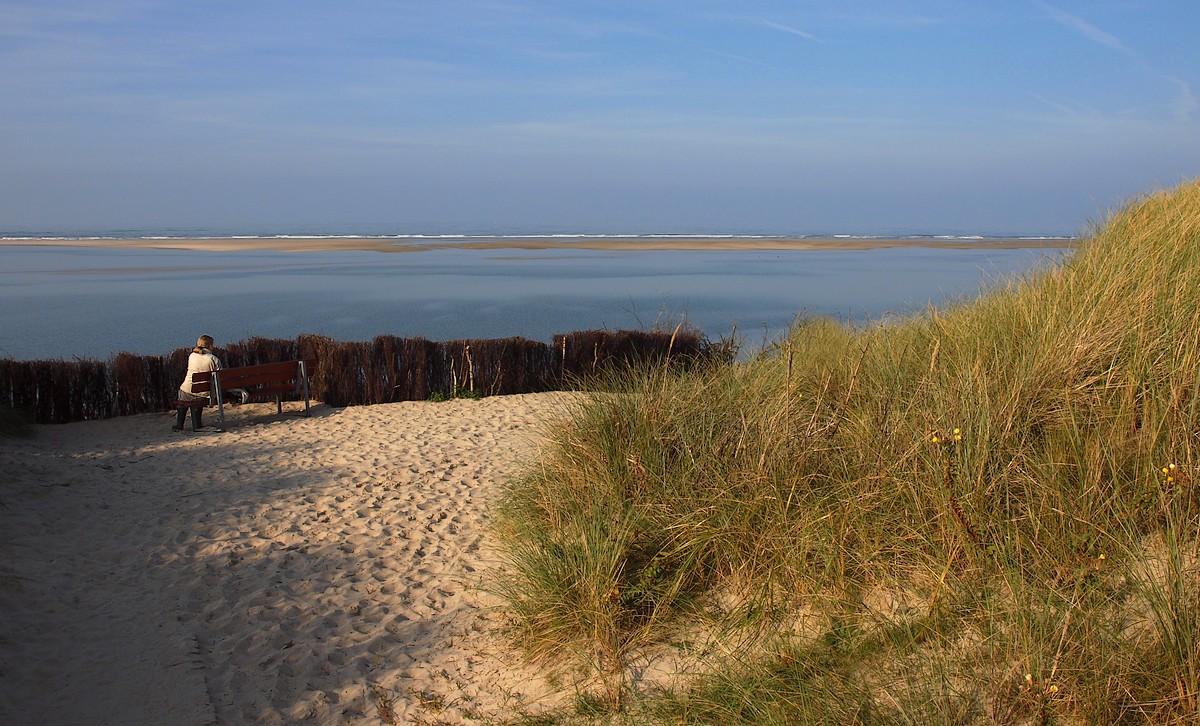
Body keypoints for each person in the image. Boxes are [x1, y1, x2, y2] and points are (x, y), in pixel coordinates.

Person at [174, 335, 222, 431]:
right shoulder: (213, 359)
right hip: (204, 393)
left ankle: (179, 425)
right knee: (198, 396)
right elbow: (220, 376)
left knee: (184, 394)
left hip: (187, 390)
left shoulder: (192, 356)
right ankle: (197, 424)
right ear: (210, 346)